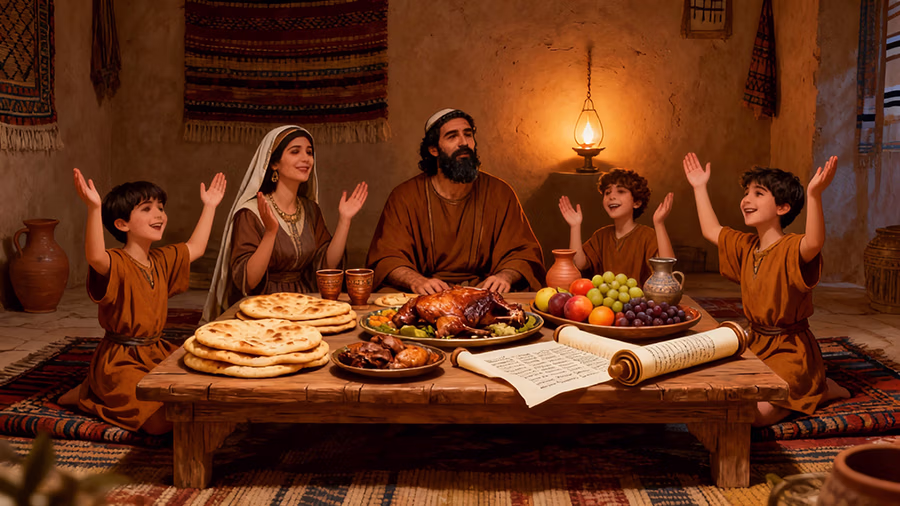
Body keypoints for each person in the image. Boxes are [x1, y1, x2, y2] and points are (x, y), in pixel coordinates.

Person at [682, 152, 849, 426]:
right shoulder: (747, 245)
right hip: (756, 341)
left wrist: (815, 195)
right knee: (714, 389)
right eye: (746, 193)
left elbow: (815, 242)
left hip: (791, 351)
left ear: (782, 208)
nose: (746, 200)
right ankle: (811, 388)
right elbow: (712, 230)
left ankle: (819, 389)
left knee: (754, 416)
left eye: (758, 193)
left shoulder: (792, 246)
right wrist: (699, 186)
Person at [61, 168, 227, 434]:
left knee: (213, 377)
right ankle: (90, 394)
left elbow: (195, 248)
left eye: (160, 207)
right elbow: (94, 256)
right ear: (122, 224)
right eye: (147, 209)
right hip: (120, 360)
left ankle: (91, 388)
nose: (159, 214)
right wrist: (94, 208)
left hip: (155, 350)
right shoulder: (115, 261)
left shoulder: (161, 260)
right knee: (162, 423)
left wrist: (210, 206)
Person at [366, 108, 545, 294]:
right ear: (434, 149)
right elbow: (386, 257)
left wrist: (504, 277)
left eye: (468, 135)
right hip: (426, 293)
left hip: (484, 293)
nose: (464, 143)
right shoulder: (404, 196)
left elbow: (524, 253)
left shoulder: (501, 192)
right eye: (452, 136)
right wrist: (416, 281)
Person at [202, 125, 367, 321]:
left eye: (309, 152)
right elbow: (248, 281)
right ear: (273, 163)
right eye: (295, 151)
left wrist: (345, 220)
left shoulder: (310, 210)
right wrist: (271, 232)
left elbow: (326, 266)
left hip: (304, 305)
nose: (306, 158)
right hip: (262, 310)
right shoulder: (251, 212)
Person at [558, 168, 674, 285]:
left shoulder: (647, 235)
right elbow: (579, 264)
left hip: (639, 302)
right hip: (605, 302)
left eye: (621, 191)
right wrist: (575, 227)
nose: (611, 196)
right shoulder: (601, 236)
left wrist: (659, 223)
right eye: (607, 192)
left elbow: (667, 269)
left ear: (637, 202)